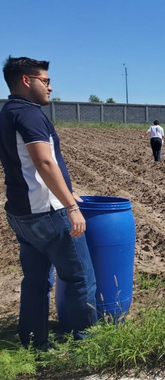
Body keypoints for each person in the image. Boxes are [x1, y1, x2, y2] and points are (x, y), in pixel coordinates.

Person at [0, 56, 98, 348]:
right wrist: (71, 205)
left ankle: (33, 342)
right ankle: (87, 344)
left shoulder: (7, 112)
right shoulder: (30, 114)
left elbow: (23, 163)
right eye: (45, 81)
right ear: (27, 81)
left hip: (22, 213)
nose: (51, 87)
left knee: (35, 281)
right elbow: (44, 161)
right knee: (80, 278)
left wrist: (66, 190)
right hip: (48, 214)